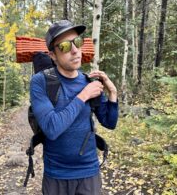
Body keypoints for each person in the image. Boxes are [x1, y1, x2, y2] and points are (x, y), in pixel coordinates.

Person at [30, 20, 119, 195]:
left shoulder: (89, 82)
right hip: (56, 175)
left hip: (89, 173)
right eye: (64, 46)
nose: (74, 50)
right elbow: (52, 128)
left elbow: (110, 122)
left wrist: (113, 93)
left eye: (77, 42)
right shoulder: (41, 82)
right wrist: (84, 95)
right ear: (52, 55)